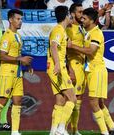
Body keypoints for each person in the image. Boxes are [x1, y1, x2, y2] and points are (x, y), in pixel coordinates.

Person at [67, 7, 114, 135]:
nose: (82, 20)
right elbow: (95, 15)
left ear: (91, 20)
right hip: (91, 70)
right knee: (100, 103)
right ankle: (113, 129)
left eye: (84, 18)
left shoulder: (96, 33)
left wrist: (72, 46)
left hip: (97, 70)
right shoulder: (88, 32)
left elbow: (91, 51)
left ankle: (104, 132)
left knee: (93, 102)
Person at [0, 9, 33, 135]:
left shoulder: (18, 36)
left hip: (17, 73)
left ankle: (15, 131)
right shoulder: (7, 36)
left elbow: (18, 55)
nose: (20, 21)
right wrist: (19, 59)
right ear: (11, 20)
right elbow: (2, 55)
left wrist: (26, 64)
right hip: (7, 73)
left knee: (17, 101)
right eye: (18, 19)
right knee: (2, 101)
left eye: (21, 19)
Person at [47, 6, 77, 135]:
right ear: (66, 16)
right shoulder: (58, 30)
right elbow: (54, 45)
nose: (72, 18)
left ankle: (53, 131)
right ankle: (61, 128)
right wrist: (58, 64)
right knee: (72, 99)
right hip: (58, 69)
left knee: (60, 101)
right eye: (70, 15)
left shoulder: (61, 30)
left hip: (54, 68)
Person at [66, 3, 85, 135]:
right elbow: (66, 47)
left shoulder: (81, 27)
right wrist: (70, 69)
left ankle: (74, 129)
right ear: (73, 14)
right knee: (71, 99)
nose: (82, 14)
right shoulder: (69, 28)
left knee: (78, 99)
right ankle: (63, 128)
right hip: (74, 65)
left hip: (82, 66)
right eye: (79, 12)